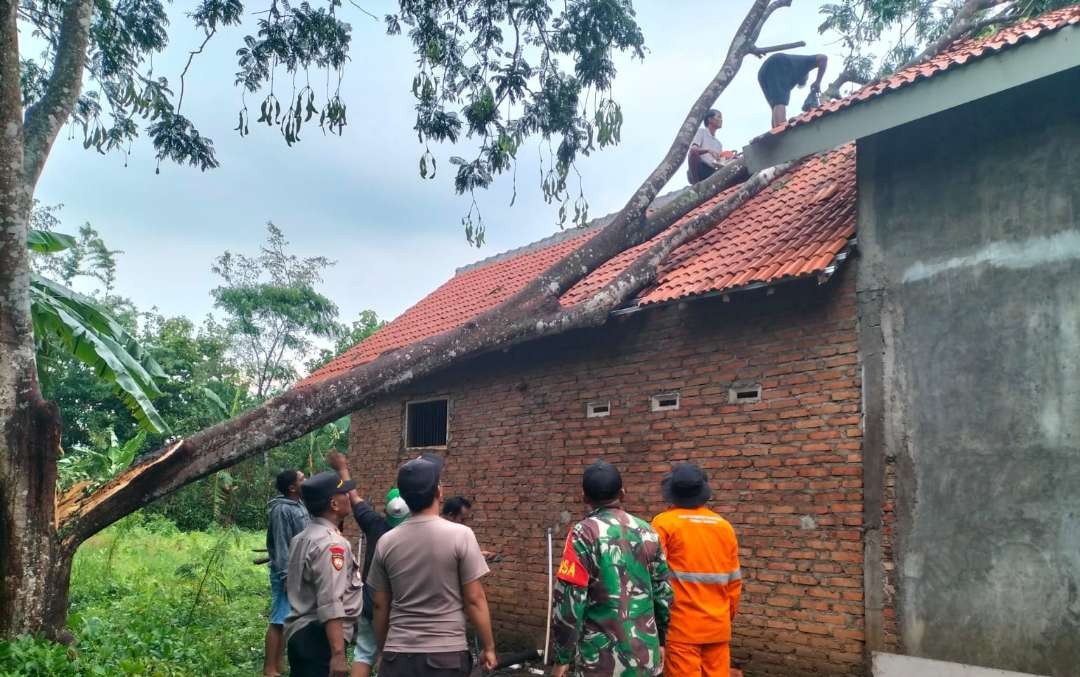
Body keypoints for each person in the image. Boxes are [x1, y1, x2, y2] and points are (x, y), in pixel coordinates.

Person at [368, 454, 498, 676]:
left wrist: (382, 652)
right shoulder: (461, 535)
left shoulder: (386, 542)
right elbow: (475, 599)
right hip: (446, 656)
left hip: (398, 656)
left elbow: (380, 604)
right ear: (439, 491)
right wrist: (489, 648)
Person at [551, 460, 673, 677]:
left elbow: (569, 603)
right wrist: (661, 640)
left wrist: (562, 658)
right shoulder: (648, 532)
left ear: (584, 498)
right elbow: (663, 594)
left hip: (600, 663)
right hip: (646, 657)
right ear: (623, 494)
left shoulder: (583, 534)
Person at [652, 463, 742, 677]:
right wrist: (722, 619)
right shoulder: (724, 527)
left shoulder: (663, 525)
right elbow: (734, 585)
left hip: (681, 630)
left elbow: (653, 580)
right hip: (717, 628)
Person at [326, 452, 410, 677]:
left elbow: (354, 498)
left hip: (370, 602)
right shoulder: (418, 536)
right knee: (394, 657)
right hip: (402, 607)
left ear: (385, 511)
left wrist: (342, 469)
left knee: (364, 653)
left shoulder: (375, 525)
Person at [284, 471, 364, 677]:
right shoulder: (332, 544)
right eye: (344, 493)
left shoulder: (302, 538)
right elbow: (330, 600)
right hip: (320, 639)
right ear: (334, 504)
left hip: (300, 634)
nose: (349, 496)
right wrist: (338, 654)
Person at [264, 469, 309, 677]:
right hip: (286, 572)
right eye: (302, 478)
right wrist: (284, 575)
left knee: (286, 619)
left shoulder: (299, 505)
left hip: (296, 571)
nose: (305, 480)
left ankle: (279, 664)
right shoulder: (281, 510)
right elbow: (281, 544)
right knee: (278, 619)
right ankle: (269, 668)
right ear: (292, 487)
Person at [756, 52, 828, 128]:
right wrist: (818, 82)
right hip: (779, 62)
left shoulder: (789, 80)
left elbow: (776, 107)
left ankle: (776, 131)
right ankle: (781, 131)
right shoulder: (805, 64)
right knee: (780, 102)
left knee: (775, 106)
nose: (800, 83)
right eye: (804, 81)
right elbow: (823, 58)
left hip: (762, 74)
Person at [687, 110, 734, 184]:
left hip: (711, 171)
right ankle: (696, 184)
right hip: (699, 168)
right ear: (710, 119)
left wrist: (727, 158)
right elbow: (693, 150)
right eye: (718, 117)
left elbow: (718, 161)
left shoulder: (718, 144)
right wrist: (708, 150)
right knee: (693, 153)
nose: (721, 120)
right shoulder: (701, 132)